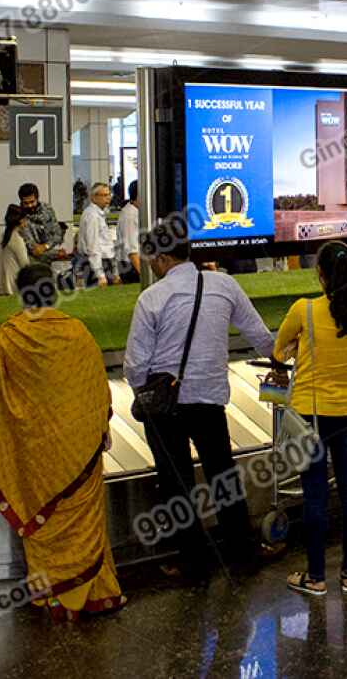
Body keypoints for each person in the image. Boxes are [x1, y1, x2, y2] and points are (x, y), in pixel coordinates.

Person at [124, 224, 279, 583]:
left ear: (162, 258)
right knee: (222, 476)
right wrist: (280, 360)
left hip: (165, 407)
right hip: (210, 399)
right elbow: (259, 335)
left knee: (176, 484)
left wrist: (143, 392)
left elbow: (135, 364)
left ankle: (194, 564)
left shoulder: (152, 298)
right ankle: (242, 554)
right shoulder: (225, 285)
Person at [0, 263, 125, 620]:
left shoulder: (8, 339)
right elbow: (97, 392)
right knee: (83, 521)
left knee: (42, 518)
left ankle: (51, 597)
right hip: (79, 450)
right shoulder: (76, 333)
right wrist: (97, 432)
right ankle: (93, 592)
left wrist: (0, 441)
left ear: (19, 293)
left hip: (34, 458)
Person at [271, 241, 347, 595]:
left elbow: (278, 350)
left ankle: (315, 576)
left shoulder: (304, 310)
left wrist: (301, 349)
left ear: (320, 273)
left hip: (309, 415)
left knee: (314, 497)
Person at [78, 183, 120, 287]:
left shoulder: (100, 213)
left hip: (104, 262)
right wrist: (100, 275)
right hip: (97, 264)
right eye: (104, 195)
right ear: (94, 197)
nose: (108, 198)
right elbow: (93, 246)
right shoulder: (92, 215)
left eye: (109, 194)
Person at [18, 183, 64, 262]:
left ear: (37, 198)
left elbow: (58, 235)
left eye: (32, 202)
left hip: (51, 260)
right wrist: (57, 253)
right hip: (30, 263)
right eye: (26, 203)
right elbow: (33, 251)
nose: (29, 205)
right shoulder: (19, 216)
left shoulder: (47, 209)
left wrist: (45, 246)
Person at [0, 204, 30, 295]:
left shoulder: (5, 236)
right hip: (15, 285)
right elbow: (25, 264)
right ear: (20, 220)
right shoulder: (17, 239)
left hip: (4, 283)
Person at [115, 180, 140, 283]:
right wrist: (143, 273)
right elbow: (131, 250)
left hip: (134, 264)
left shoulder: (136, 211)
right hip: (131, 267)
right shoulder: (129, 216)